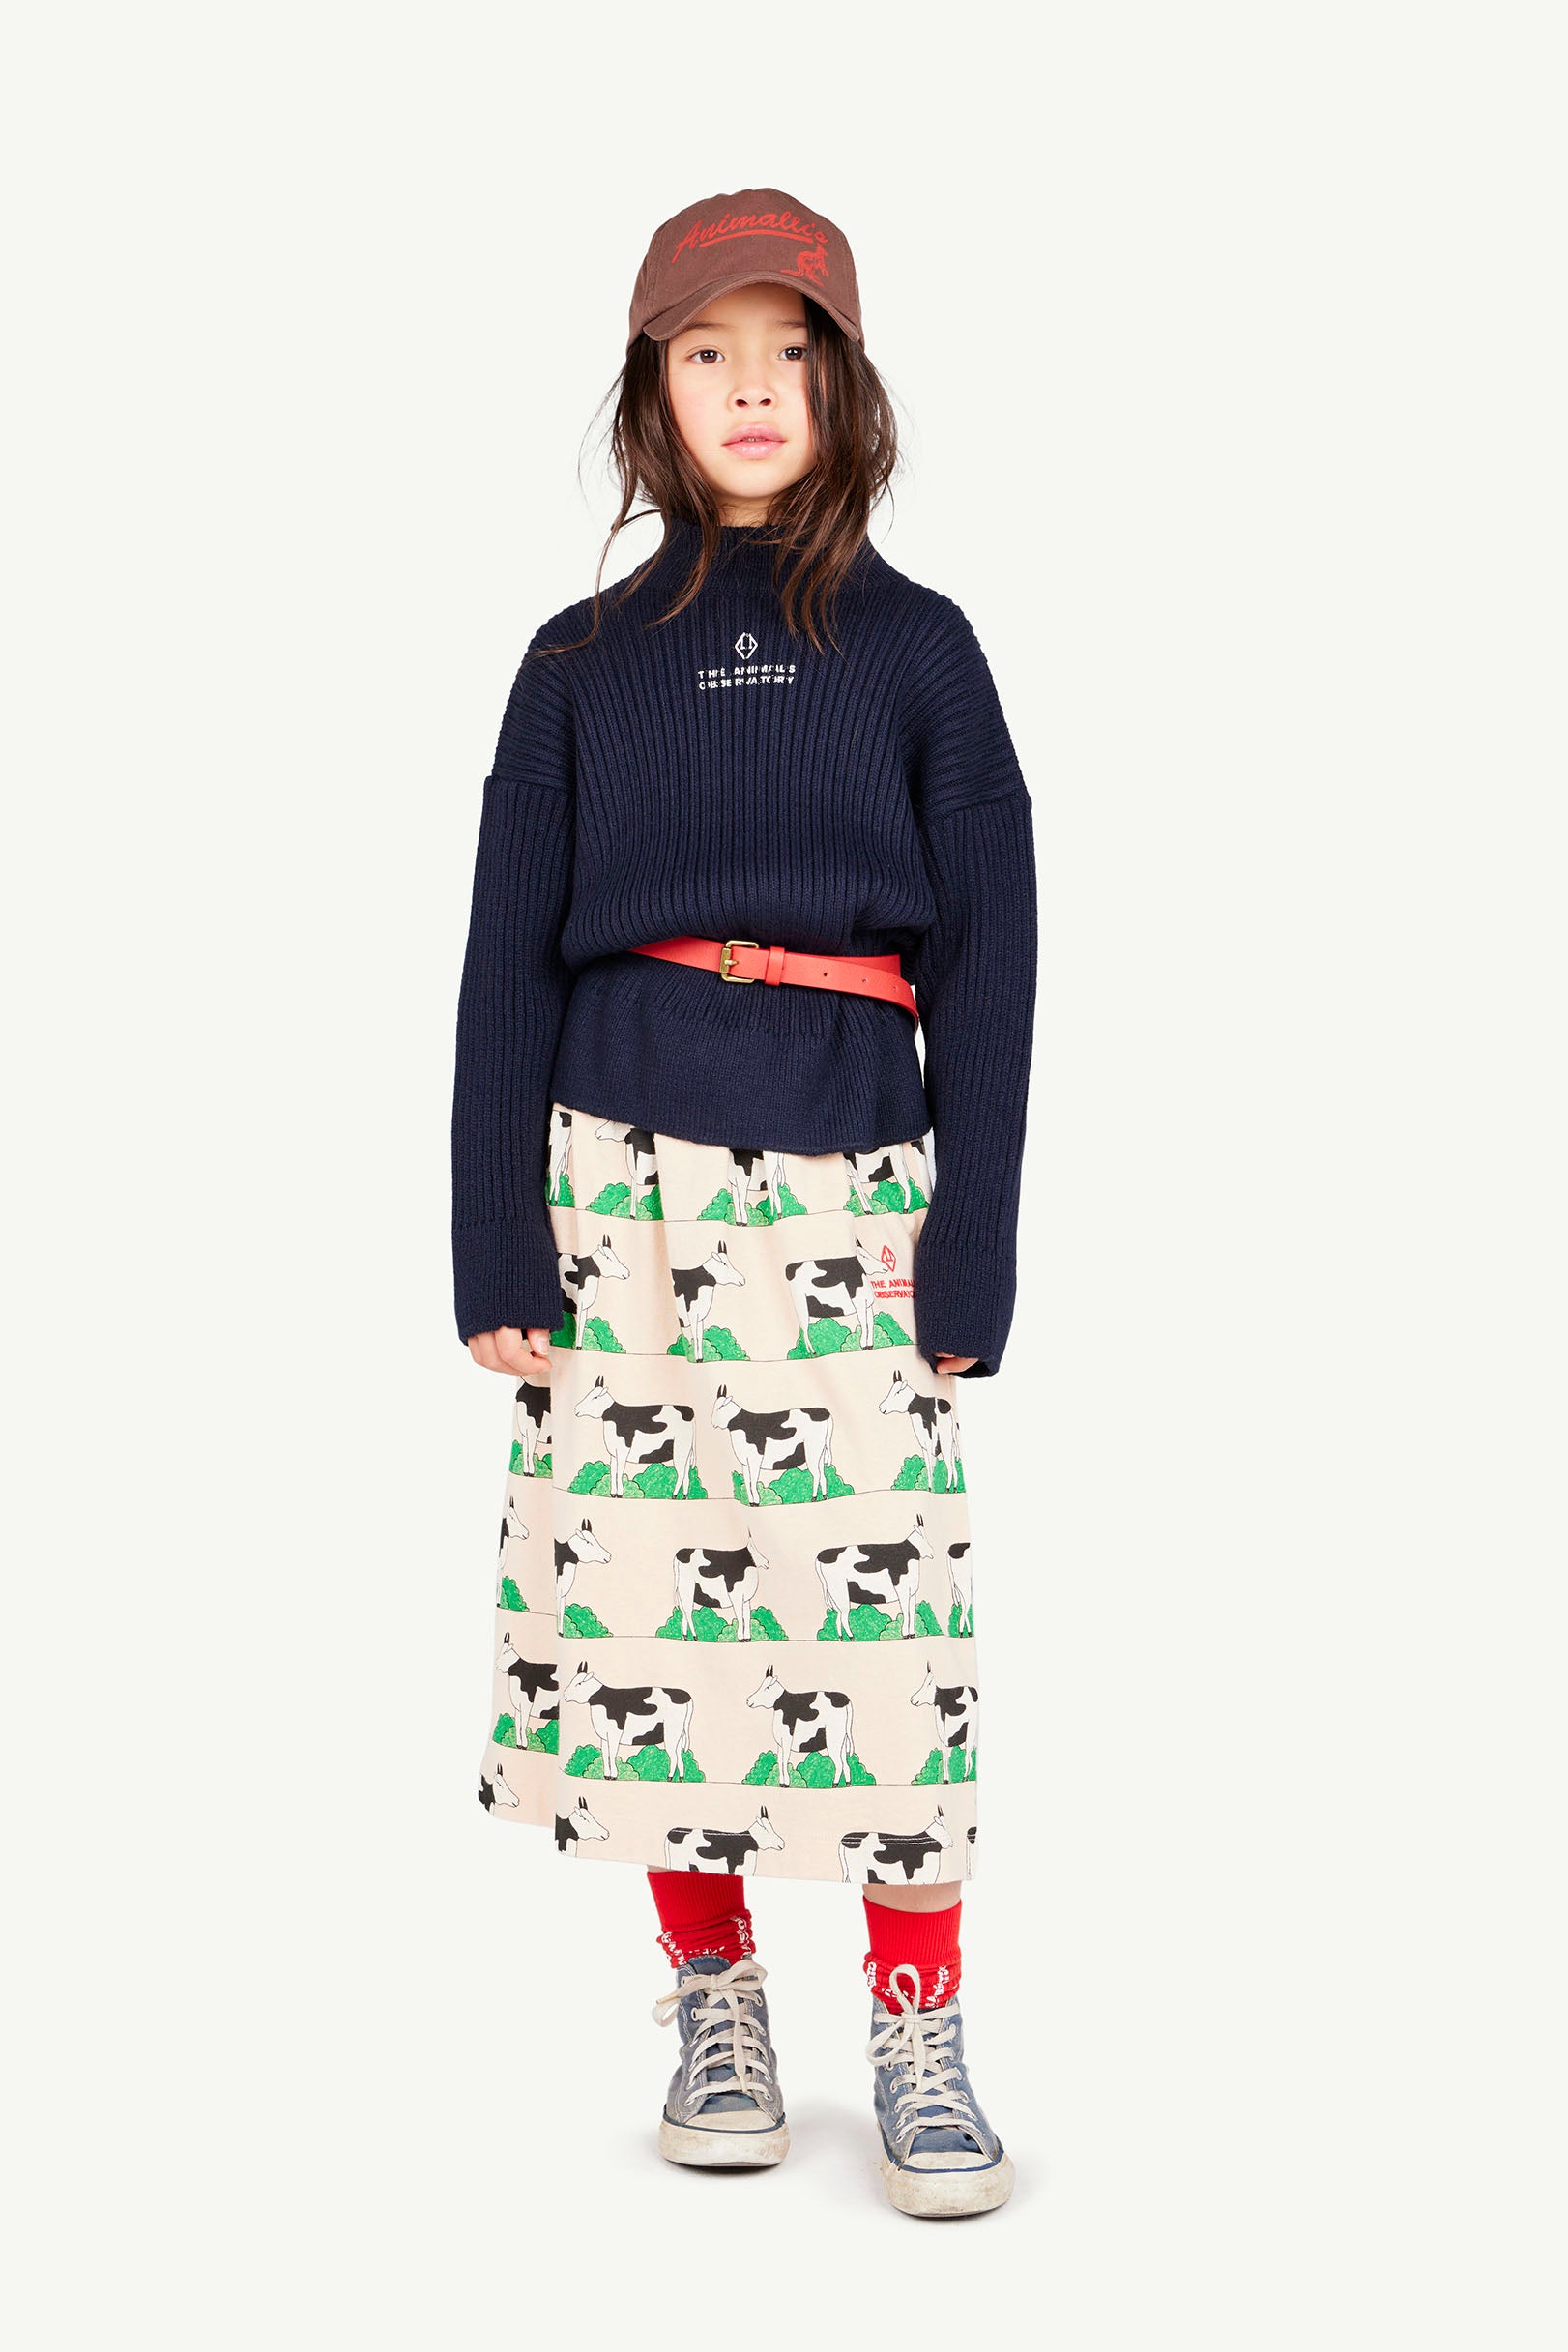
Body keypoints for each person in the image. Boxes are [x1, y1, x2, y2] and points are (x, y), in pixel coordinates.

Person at [453, 188, 1037, 2219]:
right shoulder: (576, 666)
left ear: (846, 387)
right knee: (646, 1600)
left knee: (887, 1623)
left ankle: (917, 2018)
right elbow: (502, 963)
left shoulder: (919, 652)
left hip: (851, 1190)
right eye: (708, 352)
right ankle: (715, 2000)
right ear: (651, 389)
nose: (752, 387)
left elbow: (993, 962)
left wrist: (976, 1242)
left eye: (790, 351)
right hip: (614, 1188)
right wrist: (492, 1239)